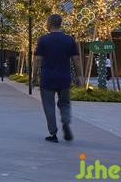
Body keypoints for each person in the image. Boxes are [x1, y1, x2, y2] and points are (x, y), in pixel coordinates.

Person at [33, 13, 83, 143]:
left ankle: (53, 133)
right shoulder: (69, 40)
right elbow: (76, 59)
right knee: (65, 103)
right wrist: (79, 76)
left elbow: (37, 59)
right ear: (60, 24)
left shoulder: (43, 40)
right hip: (64, 78)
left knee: (49, 106)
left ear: (49, 24)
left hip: (47, 78)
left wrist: (34, 76)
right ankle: (65, 122)